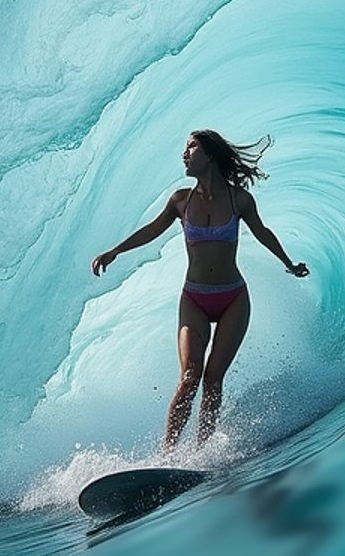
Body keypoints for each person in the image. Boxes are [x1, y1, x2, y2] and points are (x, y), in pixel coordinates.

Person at [91, 130, 309, 449]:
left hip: (233, 298)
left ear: (209, 154)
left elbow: (262, 232)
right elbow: (153, 229)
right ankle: (168, 454)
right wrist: (115, 251)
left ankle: (201, 452)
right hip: (193, 298)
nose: (184, 154)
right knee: (190, 376)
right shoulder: (181, 200)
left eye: (191, 147)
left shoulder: (240, 199)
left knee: (212, 379)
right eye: (185, 148)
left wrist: (288, 264)